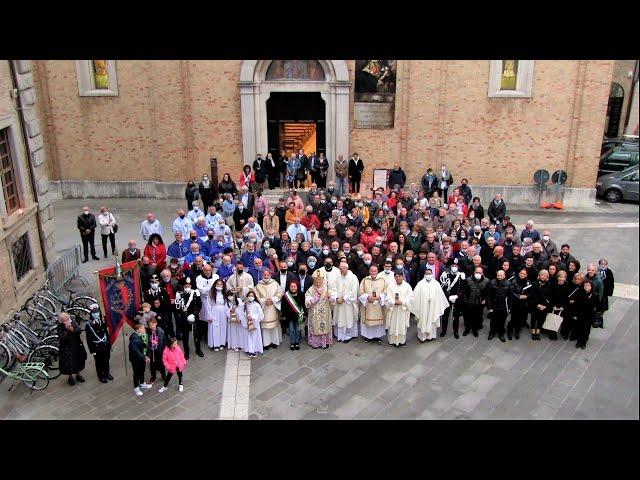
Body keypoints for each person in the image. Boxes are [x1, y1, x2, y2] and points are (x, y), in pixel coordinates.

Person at [411, 267, 448, 342]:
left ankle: (431, 336)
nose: (428, 275)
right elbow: (415, 296)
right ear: (424, 274)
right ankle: (422, 337)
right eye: (427, 274)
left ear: (432, 274)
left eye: (429, 274)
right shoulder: (420, 284)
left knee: (432, 319)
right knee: (423, 319)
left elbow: (440, 296)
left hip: (433, 306)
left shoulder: (436, 284)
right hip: (423, 307)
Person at [305, 270, 335, 349]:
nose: (318, 283)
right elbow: (307, 302)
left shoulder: (327, 288)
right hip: (315, 312)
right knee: (315, 327)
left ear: (322, 281)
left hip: (325, 312)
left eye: (320, 282)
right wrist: (317, 295)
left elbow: (333, 302)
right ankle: (315, 343)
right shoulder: (311, 289)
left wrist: (330, 297)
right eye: (316, 282)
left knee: (324, 327)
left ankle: (324, 343)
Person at [358, 265, 387, 343]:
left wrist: (380, 297)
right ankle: (368, 336)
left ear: (377, 271)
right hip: (368, 304)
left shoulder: (382, 280)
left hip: (378, 305)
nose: (373, 272)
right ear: (369, 271)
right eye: (372, 271)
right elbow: (360, 292)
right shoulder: (365, 280)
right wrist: (367, 297)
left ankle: (377, 336)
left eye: (375, 271)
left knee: (378, 322)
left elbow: (386, 292)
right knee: (368, 321)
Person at [175, 278, 202, 360]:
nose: (187, 287)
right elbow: (178, 308)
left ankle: (198, 350)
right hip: (184, 317)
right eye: (185, 286)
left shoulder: (195, 293)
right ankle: (186, 352)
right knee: (185, 336)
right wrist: (183, 315)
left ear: (191, 285)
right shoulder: (179, 294)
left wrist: (194, 314)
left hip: (194, 317)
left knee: (196, 334)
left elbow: (199, 305)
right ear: (183, 286)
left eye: (188, 285)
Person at [57, 312, 88, 386]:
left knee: (78, 360)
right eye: (65, 320)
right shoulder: (59, 326)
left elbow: (79, 330)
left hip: (76, 345)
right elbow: (62, 338)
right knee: (69, 363)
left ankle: (78, 374)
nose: (67, 321)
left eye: (68, 319)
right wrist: (67, 331)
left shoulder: (73, 322)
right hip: (66, 348)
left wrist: (72, 329)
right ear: (61, 321)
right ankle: (70, 377)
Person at [255, 269, 283, 349]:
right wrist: (264, 301)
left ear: (270, 275)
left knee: (274, 325)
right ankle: (266, 343)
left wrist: (273, 300)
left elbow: (280, 293)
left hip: (273, 307)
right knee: (265, 327)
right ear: (262, 275)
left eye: (267, 275)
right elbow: (257, 296)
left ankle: (275, 342)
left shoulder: (275, 283)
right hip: (264, 307)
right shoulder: (258, 285)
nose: (266, 276)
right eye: (264, 275)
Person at [385, 270, 414, 346]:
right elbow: (387, 297)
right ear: (394, 277)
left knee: (402, 325)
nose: (398, 278)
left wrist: (402, 302)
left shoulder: (407, 286)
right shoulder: (390, 285)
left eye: (399, 276)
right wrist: (393, 302)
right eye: (396, 276)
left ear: (403, 277)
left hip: (402, 310)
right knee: (393, 325)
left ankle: (402, 341)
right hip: (393, 309)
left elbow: (410, 298)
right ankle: (392, 341)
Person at [334, 262, 360, 343]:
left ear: (346, 268)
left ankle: (349, 335)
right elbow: (333, 288)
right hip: (339, 303)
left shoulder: (353, 277)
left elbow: (354, 291)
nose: (340, 270)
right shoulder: (338, 277)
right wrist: (337, 297)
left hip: (349, 303)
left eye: (341, 269)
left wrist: (344, 298)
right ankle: (340, 334)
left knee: (348, 319)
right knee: (340, 318)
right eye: (339, 268)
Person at [85, 304, 112, 383]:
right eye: (94, 313)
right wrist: (92, 350)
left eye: (97, 312)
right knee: (99, 362)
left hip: (104, 344)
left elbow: (106, 332)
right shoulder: (89, 325)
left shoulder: (102, 321)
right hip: (97, 346)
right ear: (91, 314)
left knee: (106, 360)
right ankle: (101, 375)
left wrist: (109, 343)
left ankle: (107, 373)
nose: (97, 314)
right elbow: (89, 339)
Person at [439, 261, 466, 338]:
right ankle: (443, 331)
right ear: (450, 266)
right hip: (447, 298)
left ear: (458, 267)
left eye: (456, 266)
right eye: (453, 265)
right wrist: (448, 296)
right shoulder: (445, 275)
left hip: (457, 299)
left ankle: (456, 331)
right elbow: (443, 287)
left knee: (456, 316)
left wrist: (457, 296)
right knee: (445, 316)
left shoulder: (461, 276)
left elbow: (463, 288)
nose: (454, 267)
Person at [462, 266, 489, 337]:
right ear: (474, 272)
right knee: (468, 316)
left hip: (479, 303)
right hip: (469, 302)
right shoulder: (468, 280)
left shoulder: (486, 281)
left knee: (477, 316)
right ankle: (467, 329)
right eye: (477, 272)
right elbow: (464, 291)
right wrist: (465, 300)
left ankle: (475, 330)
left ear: (482, 273)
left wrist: (484, 299)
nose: (478, 274)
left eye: (480, 273)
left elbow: (487, 292)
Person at [487, 270, 512, 342]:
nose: (499, 277)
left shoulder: (508, 283)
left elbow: (510, 297)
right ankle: (492, 333)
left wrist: (509, 307)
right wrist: (489, 307)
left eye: (501, 276)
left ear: (504, 276)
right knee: (493, 320)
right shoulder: (492, 282)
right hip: (494, 306)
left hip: (504, 306)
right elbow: (488, 296)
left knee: (502, 321)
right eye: (498, 275)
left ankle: (501, 334)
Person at [238, 289, 264, 357]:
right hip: (247, 323)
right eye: (249, 295)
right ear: (247, 296)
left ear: (254, 297)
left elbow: (261, 315)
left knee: (254, 337)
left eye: (252, 296)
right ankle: (249, 350)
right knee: (247, 337)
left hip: (254, 323)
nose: (251, 297)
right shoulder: (244, 305)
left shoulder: (257, 305)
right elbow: (241, 313)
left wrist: (253, 318)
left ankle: (255, 350)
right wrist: (245, 319)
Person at [129, 322, 152, 396]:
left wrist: (147, 355)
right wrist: (144, 357)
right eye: (142, 328)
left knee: (142, 371)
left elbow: (146, 345)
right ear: (138, 330)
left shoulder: (143, 335)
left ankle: (142, 383)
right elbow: (136, 351)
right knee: (136, 373)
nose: (144, 329)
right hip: (136, 359)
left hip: (142, 357)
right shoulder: (134, 339)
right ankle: (136, 388)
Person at [509, 268, 533, 340]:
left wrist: (526, 296)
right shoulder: (514, 280)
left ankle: (517, 331)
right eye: (521, 273)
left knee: (520, 318)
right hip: (514, 302)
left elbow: (531, 292)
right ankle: (510, 331)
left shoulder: (528, 282)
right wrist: (519, 296)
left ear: (526, 275)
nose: (522, 275)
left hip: (523, 303)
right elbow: (511, 291)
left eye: (524, 274)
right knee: (513, 317)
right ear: (519, 273)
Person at [574, 280, 598, 349]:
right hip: (580, 314)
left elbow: (597, 306)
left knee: (586, 330)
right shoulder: (580, 293)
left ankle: (584, 342)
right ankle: (579, 341)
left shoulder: (595, 295)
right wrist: (575, 315)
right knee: (579, 328)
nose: (586, 287)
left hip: (589, 316)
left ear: (591, 287)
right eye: (585, 285)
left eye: (588, 285)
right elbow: (576, 305)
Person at [281, 281, 305, 350]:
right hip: (290, 316)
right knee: (291, 330)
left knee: (297, 329)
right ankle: (292, 342)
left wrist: (304, 313)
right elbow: (283, 306)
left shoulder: (301, 295)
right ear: (289, 287)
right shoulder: (286, 296)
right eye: (292, 286)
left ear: (297, 287)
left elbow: (303, 305)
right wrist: (284, 315)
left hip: (298, 315)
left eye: (295, 286)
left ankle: (297, 342)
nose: (293, 288)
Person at [208, 279, 229, 352]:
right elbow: (208, 305)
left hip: (223, 312)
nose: (219, 286)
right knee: (215, 327)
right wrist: (209, 316)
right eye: (218, 284)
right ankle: (215, 344)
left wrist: (227, 313)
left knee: (222, 327)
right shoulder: (211, 293)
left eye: (221, 284)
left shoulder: (224, 294)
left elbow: (226, 304)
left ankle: (222, 343)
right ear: (215, 285)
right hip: (214, 311)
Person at [530, 269, 551, 341]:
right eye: (542, 275)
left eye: (545, 275)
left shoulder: (548, 285)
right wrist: (537, 305)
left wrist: (544, 305)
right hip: (535, 304)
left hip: (543, 306)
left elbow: (549, 296)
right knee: (533, 319)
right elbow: (532, 295)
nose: (543, 276)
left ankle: (538, 332)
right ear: (539, 275)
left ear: (547, 277)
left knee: (540, 319)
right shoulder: (534, 283)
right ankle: (533, 332)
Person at [146, 317, 167, 385]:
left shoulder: (161, 331)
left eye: (152, 324)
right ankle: (153, 377)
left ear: (156, 323)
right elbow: (147, 342)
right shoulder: (148, 332)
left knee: (161, 364)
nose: (151, 326)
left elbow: (164, 342)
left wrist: (164, 351)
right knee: (152, 365)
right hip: (151, 351)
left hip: (159, 350)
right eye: (150, 325)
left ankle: (163, 375)